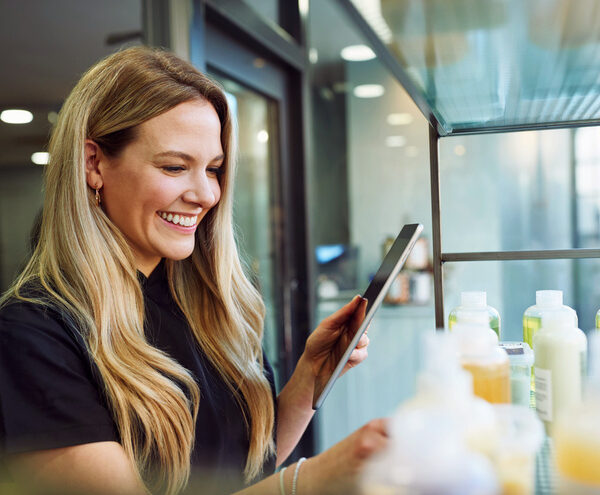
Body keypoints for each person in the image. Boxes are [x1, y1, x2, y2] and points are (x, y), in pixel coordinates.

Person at [0, 46, 388, 495]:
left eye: (215, 169)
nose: (206, 194)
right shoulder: (31, 337)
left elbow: (241, 469)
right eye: (174, 166)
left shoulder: (212, 307)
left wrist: (307, 381)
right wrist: (308, 481)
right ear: (94, 164)